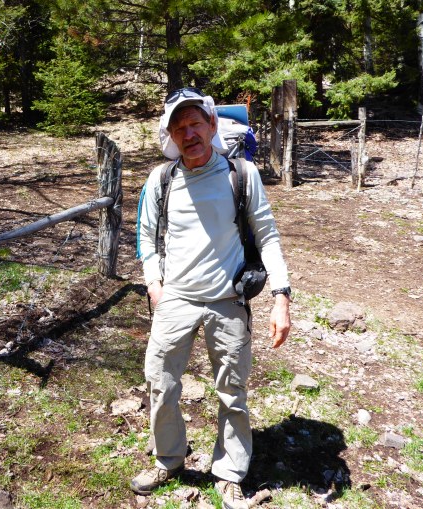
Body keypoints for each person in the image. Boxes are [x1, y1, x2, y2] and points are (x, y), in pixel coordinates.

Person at [132, 87, 291, 509]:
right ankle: (168, 459)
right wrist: (155, 285)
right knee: (160, 384)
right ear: (170, 136)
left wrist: (281, 297)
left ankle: (229, 473)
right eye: (179, 128)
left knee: (232, 391)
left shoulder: (242, 175)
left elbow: (267, 236)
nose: (189, 134)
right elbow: (146, 237)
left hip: (228, 301)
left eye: (195, 124)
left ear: (212, 124)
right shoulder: (161, 179)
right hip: (175, 300)